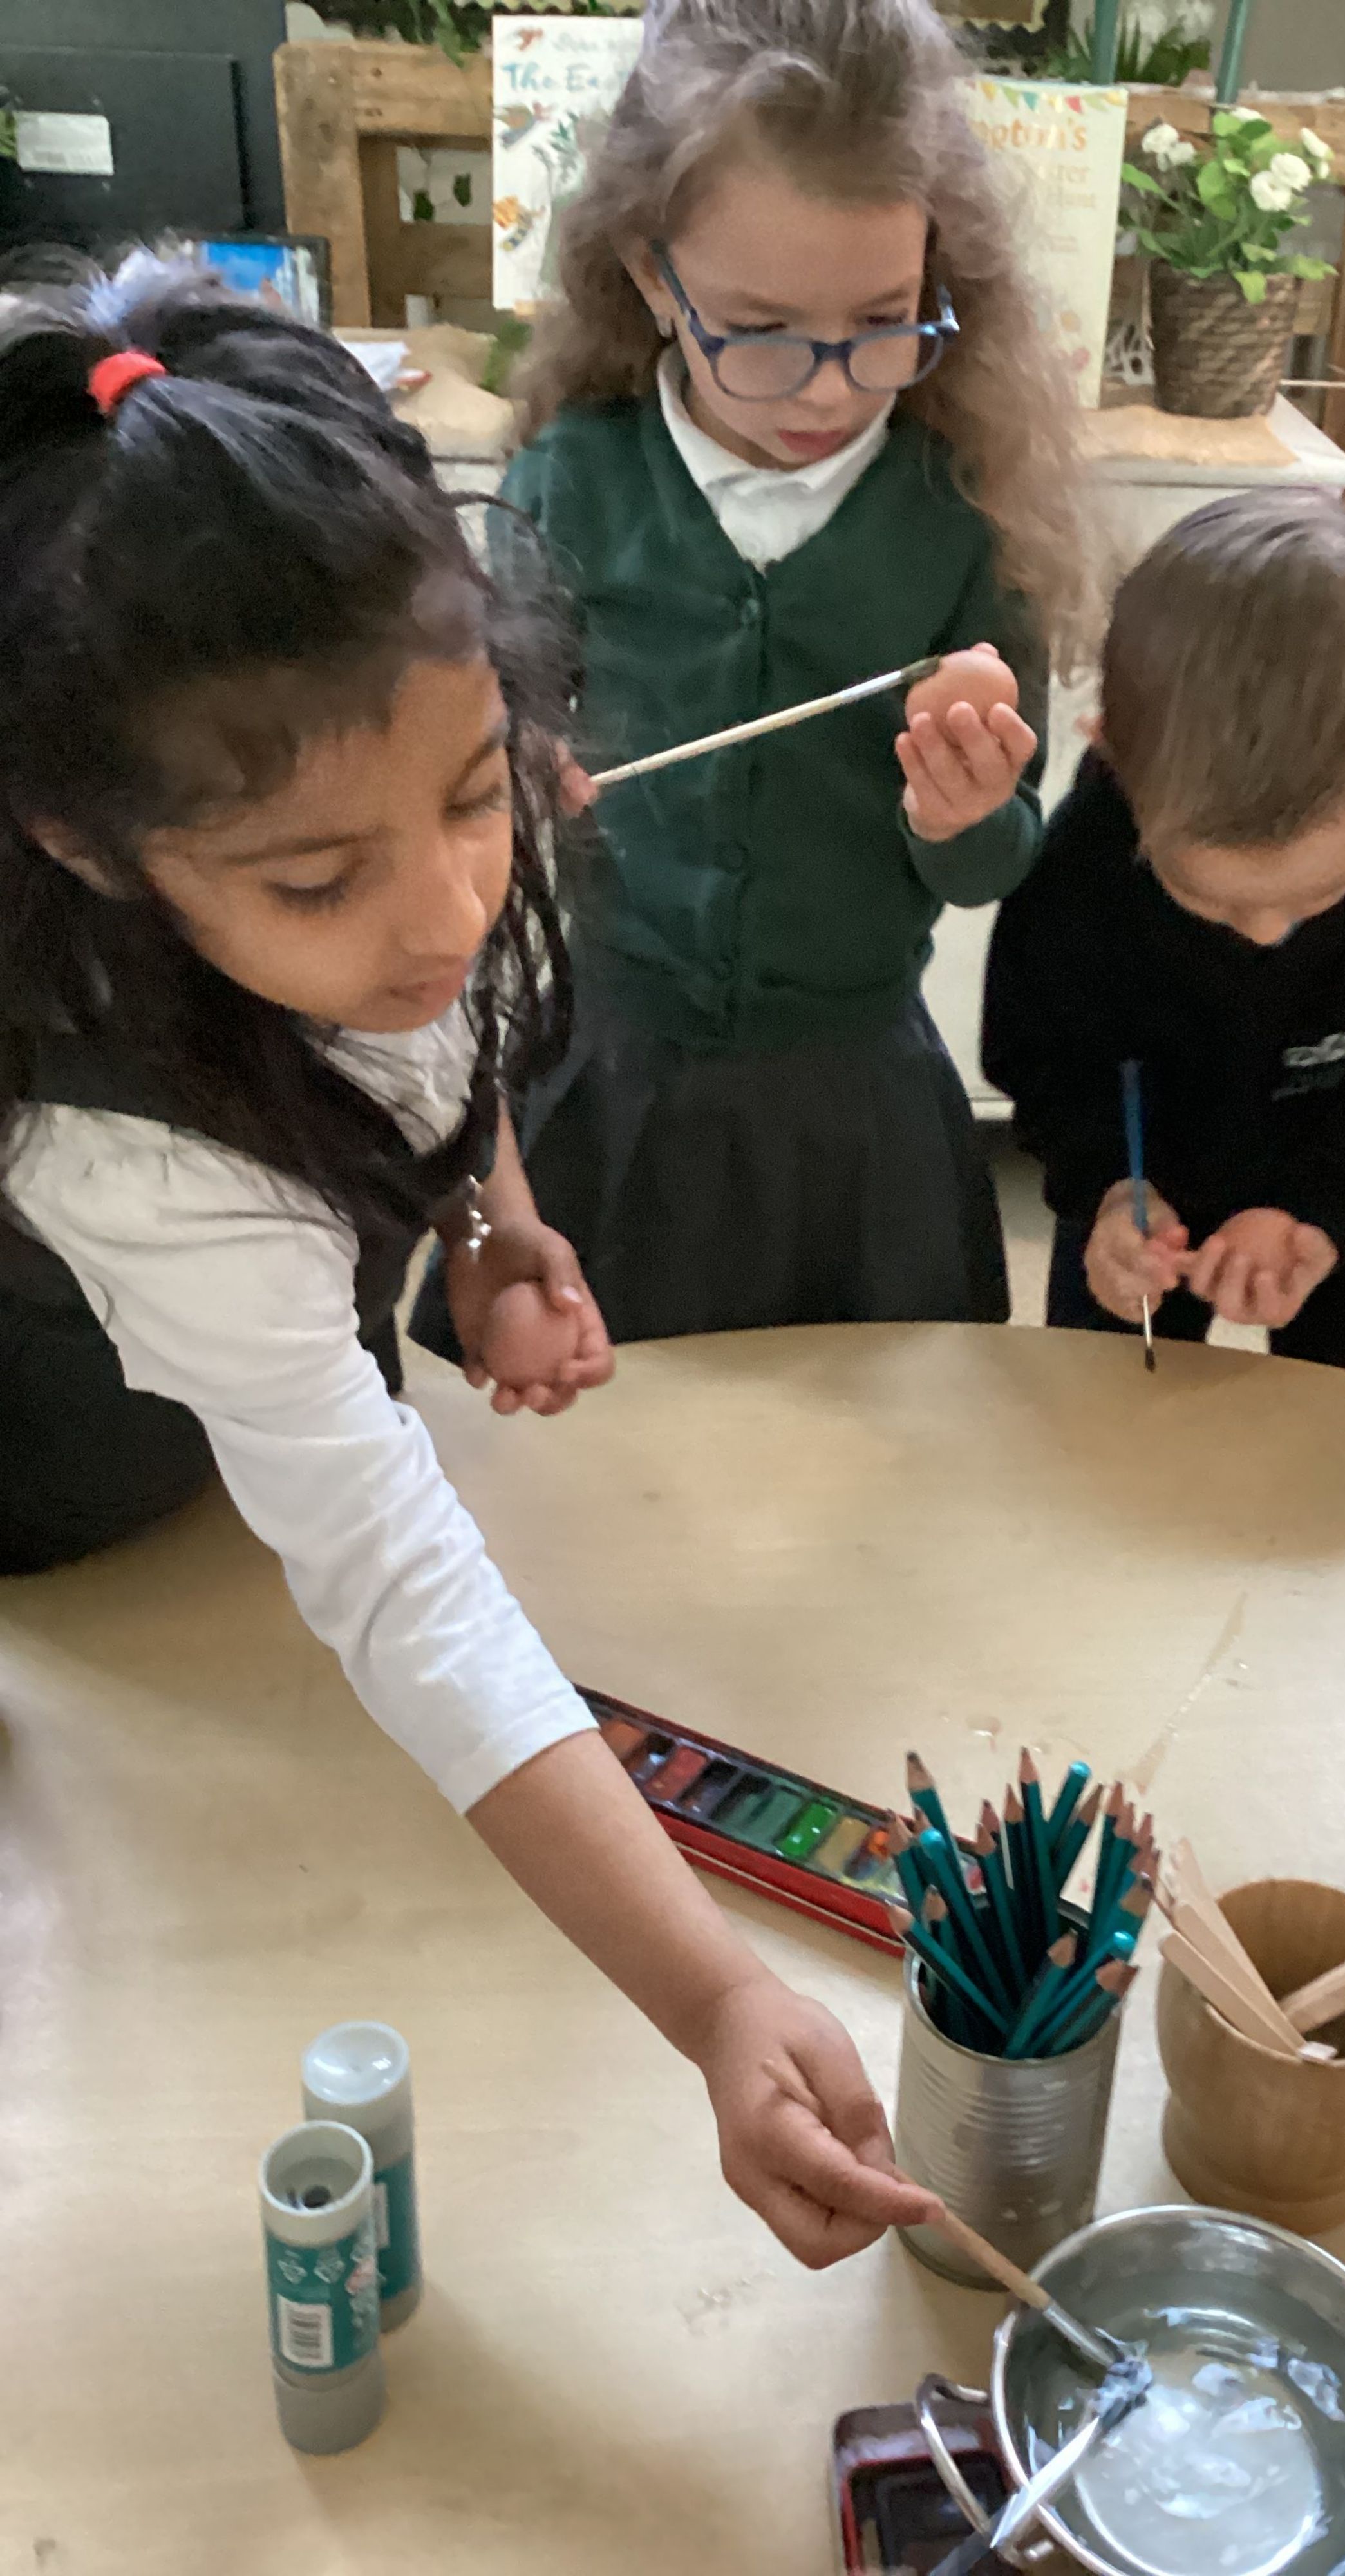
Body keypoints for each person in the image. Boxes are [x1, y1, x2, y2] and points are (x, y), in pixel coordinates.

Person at [0, 258, 928, 2266]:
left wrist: (494, 1223)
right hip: (68, 1498)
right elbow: (392, 1573)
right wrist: (717, 1995)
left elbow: (440, 1039)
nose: (442, 910)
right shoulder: (114, 1138)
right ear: (84, 849)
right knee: (178, 1944)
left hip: (271, 1413)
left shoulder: (396, 851)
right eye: (319, 878)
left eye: (478, 793)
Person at [413, 0, 1091, 1354]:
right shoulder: (571, 481)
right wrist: (508, 780)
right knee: (587, 1430)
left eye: (885, 321)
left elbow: (992, 863)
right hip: (613, 1080)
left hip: (853, 1110)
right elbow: (491, 768)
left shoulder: (966, 519)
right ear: (654, 277)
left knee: (858, 1435)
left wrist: (961, 814)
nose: (827, 389)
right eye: (761, 328)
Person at [981, 489, 1345, 1382]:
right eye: (1206, 898)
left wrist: (1330, 1211)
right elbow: (1046, 1048)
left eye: (1317, 893)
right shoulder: (1090, 851)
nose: (1264, 934)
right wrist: (1108, 1188)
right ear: (1115, 755)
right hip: (1144, 1191)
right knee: (1105, 1402)